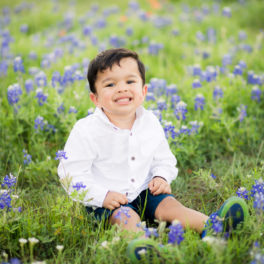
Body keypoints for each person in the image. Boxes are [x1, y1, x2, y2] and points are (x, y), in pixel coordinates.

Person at [58, 48, 248, 261]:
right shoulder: (86, 130)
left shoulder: (150, 122)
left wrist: (161, 177)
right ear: (95, 98)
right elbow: (70, 173)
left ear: (144, 91)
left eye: (130, 82)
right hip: (108, 201)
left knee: (171, 207)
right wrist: (101, 195)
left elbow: (164, 159)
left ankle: (215, 226)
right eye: (110, 84)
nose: (121, 89)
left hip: (144, 188)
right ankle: (146, 247)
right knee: (126, 218)